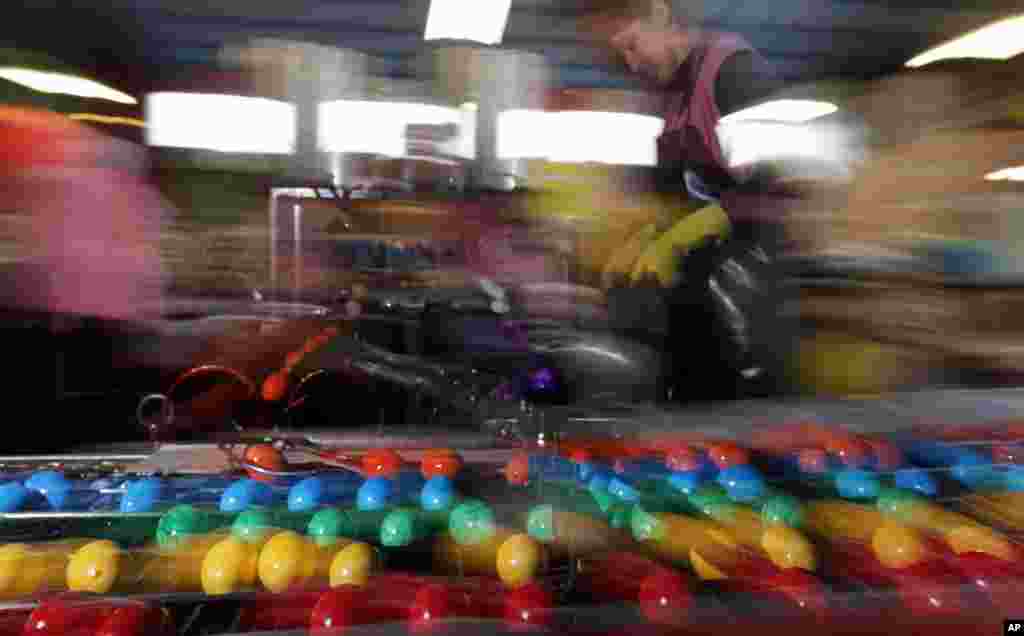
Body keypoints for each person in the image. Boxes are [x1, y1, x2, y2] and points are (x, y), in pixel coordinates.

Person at [589, 0, 798, 401]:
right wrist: (646, 236)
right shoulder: (668, 97)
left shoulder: (733, 71)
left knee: (742, 409)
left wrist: (688, 232)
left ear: (659, 12)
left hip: (752, 287)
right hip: (702, 287)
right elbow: (668, 190)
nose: (632, 65)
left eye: (632, 46)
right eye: (621, 56)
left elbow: (775, 179)